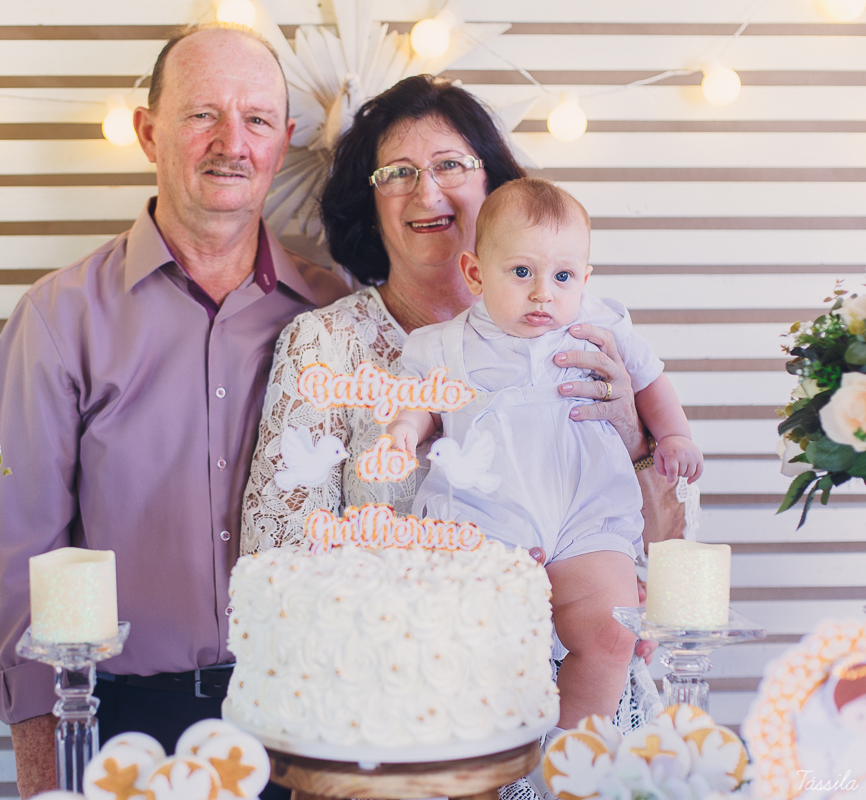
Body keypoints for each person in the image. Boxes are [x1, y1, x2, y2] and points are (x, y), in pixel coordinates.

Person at [0, 24, 349, 797]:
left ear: (283, 142)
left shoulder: (334, 313)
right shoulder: (60, 316)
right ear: (149, 131)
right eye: (201, 114)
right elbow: (24, 557)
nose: (231, 142)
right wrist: (45, 772)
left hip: (307, 715)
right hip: (121, 722)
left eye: (255, 119)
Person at [240, 76, 668, 734]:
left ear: (493, 186)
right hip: (408, 710)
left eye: (450, 165)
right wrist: (449, 588)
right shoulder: (325, 345)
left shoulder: (587, 330)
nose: (427, 190)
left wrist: (638, 437)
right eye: (397, 172)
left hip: (594, 705)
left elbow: (671, 542)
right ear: (369, 201)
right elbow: (281, 560)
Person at [386, 177, 702, 725]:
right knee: (479, 641)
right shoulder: (441, 346)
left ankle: (571, 754)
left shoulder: (601, 326)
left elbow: (650, 382)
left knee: (611, 632)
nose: (542, 294)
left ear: (585, 279)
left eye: (562, 277)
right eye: (522, 272)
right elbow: (421, 403)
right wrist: (405, 432)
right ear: (475, 273)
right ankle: (496, 754)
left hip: (588, 514)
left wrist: (673, 436)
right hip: (487, 520)